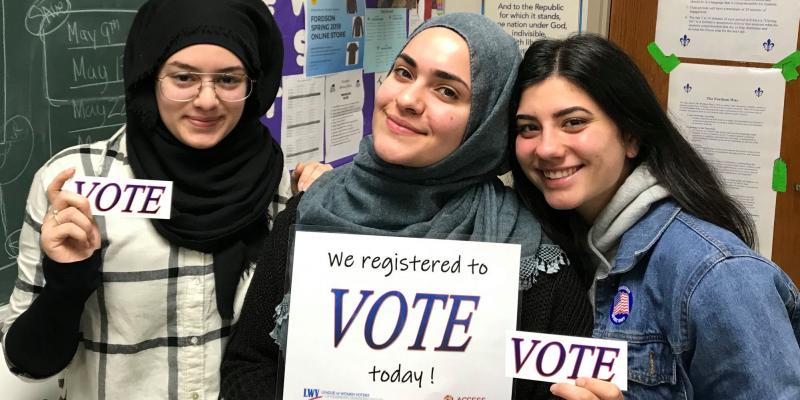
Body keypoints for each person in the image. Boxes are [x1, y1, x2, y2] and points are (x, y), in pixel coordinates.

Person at [220, 13, 593, 399]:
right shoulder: (310, 212)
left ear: (486, 122)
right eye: (403, 72)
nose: (408, 100)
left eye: (447, 91)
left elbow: (558, 390)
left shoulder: (530, 254)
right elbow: (248, 364)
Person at [0, 0, 329, 398]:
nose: (207, 100)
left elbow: (303, 344)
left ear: (253, 86)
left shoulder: (280, 188)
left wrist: (328, 221)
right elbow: (28, 366)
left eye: (228, 80)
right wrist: (66, 286)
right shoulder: (76, 186)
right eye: (184, 77)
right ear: (149, 77)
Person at [509, 34, 800, 399]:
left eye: (574, 122)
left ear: (631, 136)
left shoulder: (717, 273)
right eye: (528, 128)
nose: (547, 148)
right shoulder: (554, 250)